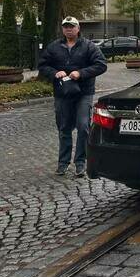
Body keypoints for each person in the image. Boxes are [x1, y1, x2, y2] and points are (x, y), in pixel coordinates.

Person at [38, 16, 107, 177]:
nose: (69, 29)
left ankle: (80, 162)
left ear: (78, 29)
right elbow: (42, 65)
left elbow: (101, 64)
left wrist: (81, 73)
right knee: (64, 128)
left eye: (72, 26)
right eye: (66, 26)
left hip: (84, 92)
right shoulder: (54, 47)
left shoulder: (89, 46)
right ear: (63, 29)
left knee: (83, 127)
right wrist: (55, 73)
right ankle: (63, 163)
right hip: (62, 93)